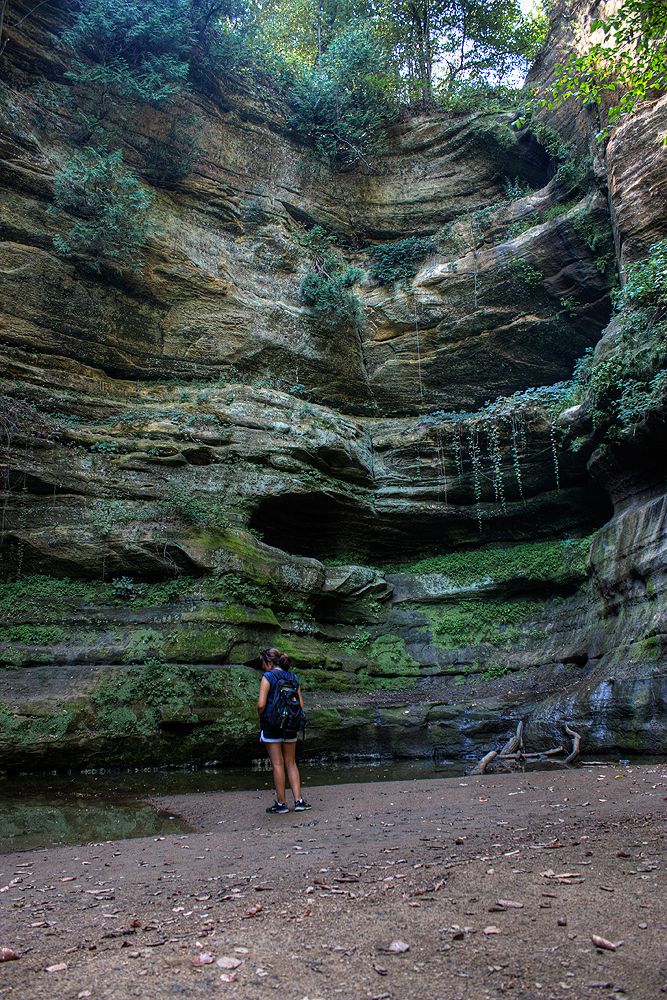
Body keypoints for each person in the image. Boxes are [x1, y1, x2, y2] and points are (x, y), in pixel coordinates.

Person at [257, 647, 312, 814]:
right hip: (290, 725)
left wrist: (264, 717)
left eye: (262, 664)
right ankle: (299, 801)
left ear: (268, 662)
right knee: (291, 762)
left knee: (278, 763)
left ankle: (281, 803)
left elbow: (261, 704)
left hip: (272, 725)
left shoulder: (268, 677)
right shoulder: (293, 677)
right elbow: (300, 705)